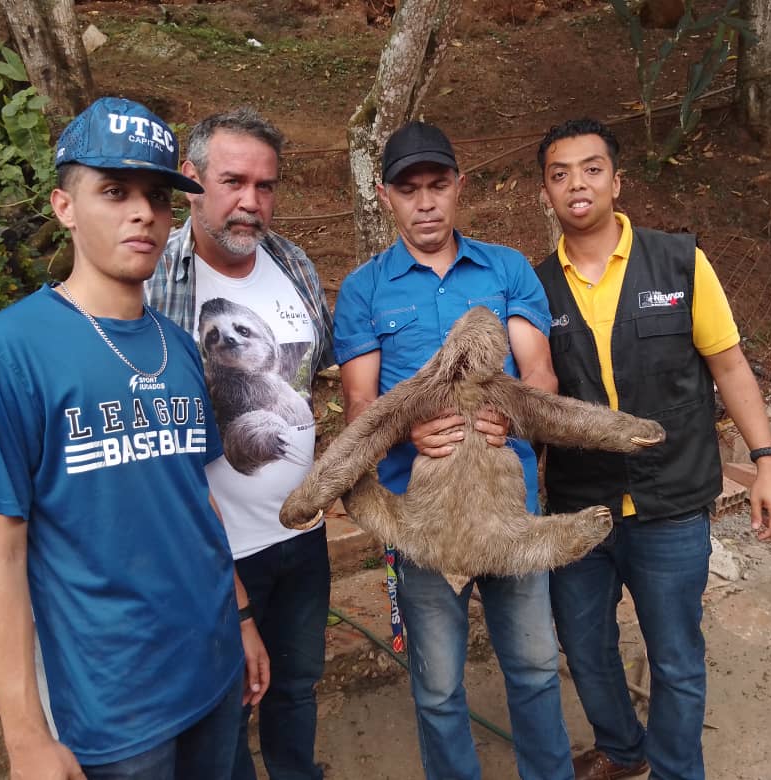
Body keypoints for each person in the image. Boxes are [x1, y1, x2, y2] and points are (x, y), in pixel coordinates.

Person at [0, 97, 269, 779]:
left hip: (214, 671)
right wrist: (25, 737)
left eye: (158, 196)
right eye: (114, 191)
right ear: (65, 205)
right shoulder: (9, 351)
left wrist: (242, 618)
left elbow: (197, 501)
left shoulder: (181, 348)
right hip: (117, 709)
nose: (143, 213)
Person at [535, 118, 771, 780]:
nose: (576, 184)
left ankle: (678, 770)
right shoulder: (533, 289)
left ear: (617, 182)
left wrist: (766, 465)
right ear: (546, 195)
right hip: (579, 506)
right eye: (559, 175)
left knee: (676, 655)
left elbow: (730, 367)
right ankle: (623, 750)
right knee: (585, 645)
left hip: (672, 499)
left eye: (591, 169)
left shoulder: (678, 261)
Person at [332, 120, 576, 780]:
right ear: (385, 196)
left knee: (531, 668)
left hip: (510, 509)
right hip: (424, 525)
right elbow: (360, 406)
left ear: (460, 187)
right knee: (438, 689)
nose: (426, 202)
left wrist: (514, 415)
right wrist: (406, 428)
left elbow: (540, 372)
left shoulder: (506, 269)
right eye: (409, 189)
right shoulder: (363, 290)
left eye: (438, 185)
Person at [146, 107, 334, 780]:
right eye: (232, 181)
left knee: (296, 686)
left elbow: (316, 371)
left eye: (265, 185)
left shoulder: (293, 265)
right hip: (217, 552)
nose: (250, 202)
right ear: (190, 179)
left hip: (303, 535)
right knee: (226, 704)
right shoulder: (152, 281)